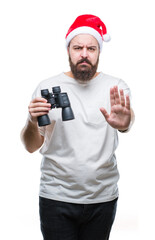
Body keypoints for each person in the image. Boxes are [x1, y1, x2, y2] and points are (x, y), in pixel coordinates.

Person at [21, 14, 135, 240]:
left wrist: (126, 122)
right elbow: (30, 146)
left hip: (102, 197)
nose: (84, 54)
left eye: (91, 48)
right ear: (68, 50)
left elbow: (127, 120)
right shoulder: (47, 87)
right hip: (56, 196)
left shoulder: (116, 86)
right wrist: (31, 121)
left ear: (99, 52)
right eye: (78, 47)